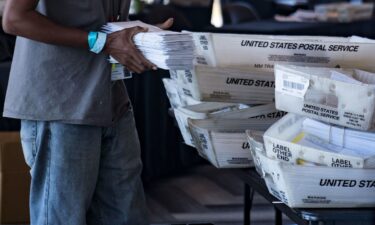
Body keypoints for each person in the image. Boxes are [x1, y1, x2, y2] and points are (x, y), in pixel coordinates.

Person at [2, 0, 173, 224]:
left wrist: (143, 37)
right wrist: (102, 41)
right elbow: (14, 19)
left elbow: (100, 22)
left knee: (127, 216)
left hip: (112, 101)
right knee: (64, 218)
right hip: (61, 106)